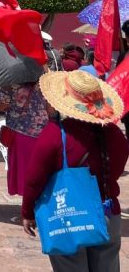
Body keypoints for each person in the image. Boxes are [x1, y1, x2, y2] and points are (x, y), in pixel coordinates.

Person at [22, 70, 128, 271]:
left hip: (69, 216)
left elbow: (34, 180)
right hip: (107, 213)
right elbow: (116, 170)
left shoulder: (55, 135)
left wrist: (27, 211)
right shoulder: (116, 135)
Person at [0, 80, 49, 197]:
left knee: (23, 172)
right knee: (39, 171)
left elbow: (0, 106)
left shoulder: (10, 85)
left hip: (20, 133)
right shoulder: (46, 84)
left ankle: (27, 207)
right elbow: (51, 110)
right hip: (43, 133)